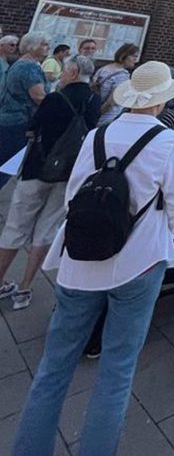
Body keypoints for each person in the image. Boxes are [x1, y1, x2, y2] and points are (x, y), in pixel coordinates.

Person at [11, 61, 174, 456]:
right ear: (162, 101)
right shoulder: (167, 141)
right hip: (138, 264)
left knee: (53, 369)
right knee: (116, 372)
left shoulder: (97, 135)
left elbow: (75, 196)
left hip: (80, 262)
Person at [0, 55, 101, 306]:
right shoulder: (94, 100)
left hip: (38, 169)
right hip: (68, 173)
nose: (60, 75)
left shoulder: (55, 98)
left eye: (65, 71)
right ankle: (25, 288)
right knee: (46, 230)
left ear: (74, 72)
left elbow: (33, 127)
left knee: (15, 226)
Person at [0, 32, 49, 189]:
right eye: (44, 44)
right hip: (20, 121)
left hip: (10, 118)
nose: (48, 47)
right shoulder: (29, 67)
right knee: (7, 164)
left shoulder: (20, 63)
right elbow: (39, 96)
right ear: (32, 46)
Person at [94, 43, 139, 125]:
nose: (135, 59)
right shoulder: (122, 75)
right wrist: (99, 114)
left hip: (94, 112)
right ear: (124, 55)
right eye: (134, 56)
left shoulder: (103, 69)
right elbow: (112, 101)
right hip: (108, 118)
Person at [0, 35, 19, 103]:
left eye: (16, 45)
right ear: (2, 45)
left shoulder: (7, 62)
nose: (14, 47)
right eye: (11, 45)